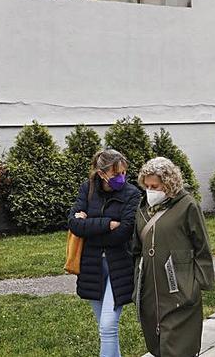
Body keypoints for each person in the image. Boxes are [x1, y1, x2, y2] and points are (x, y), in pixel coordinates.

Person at [135, 156, 214, 357]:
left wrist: (197, 283)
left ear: (168, 184)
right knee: (157, 343)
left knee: (178, 346)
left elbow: (202, 246)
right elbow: (136, 247)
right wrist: (137, 281)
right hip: (150, 290)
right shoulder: (143, 207)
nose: (151, 191)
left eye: (155, 186)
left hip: (179, 286)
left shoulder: (187, 205)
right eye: (148, 186)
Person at [69, 149, 141, 357]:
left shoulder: (132, 193)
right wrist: (107, 224)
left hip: (119, 265)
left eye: (124, 173)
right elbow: (73, 224)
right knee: (105, 328)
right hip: (92, 266)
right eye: (116, 174)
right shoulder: (87, 189)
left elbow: (124, 232)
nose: (122, 178)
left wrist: (89, 226)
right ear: (101, 174)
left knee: (108, 326)